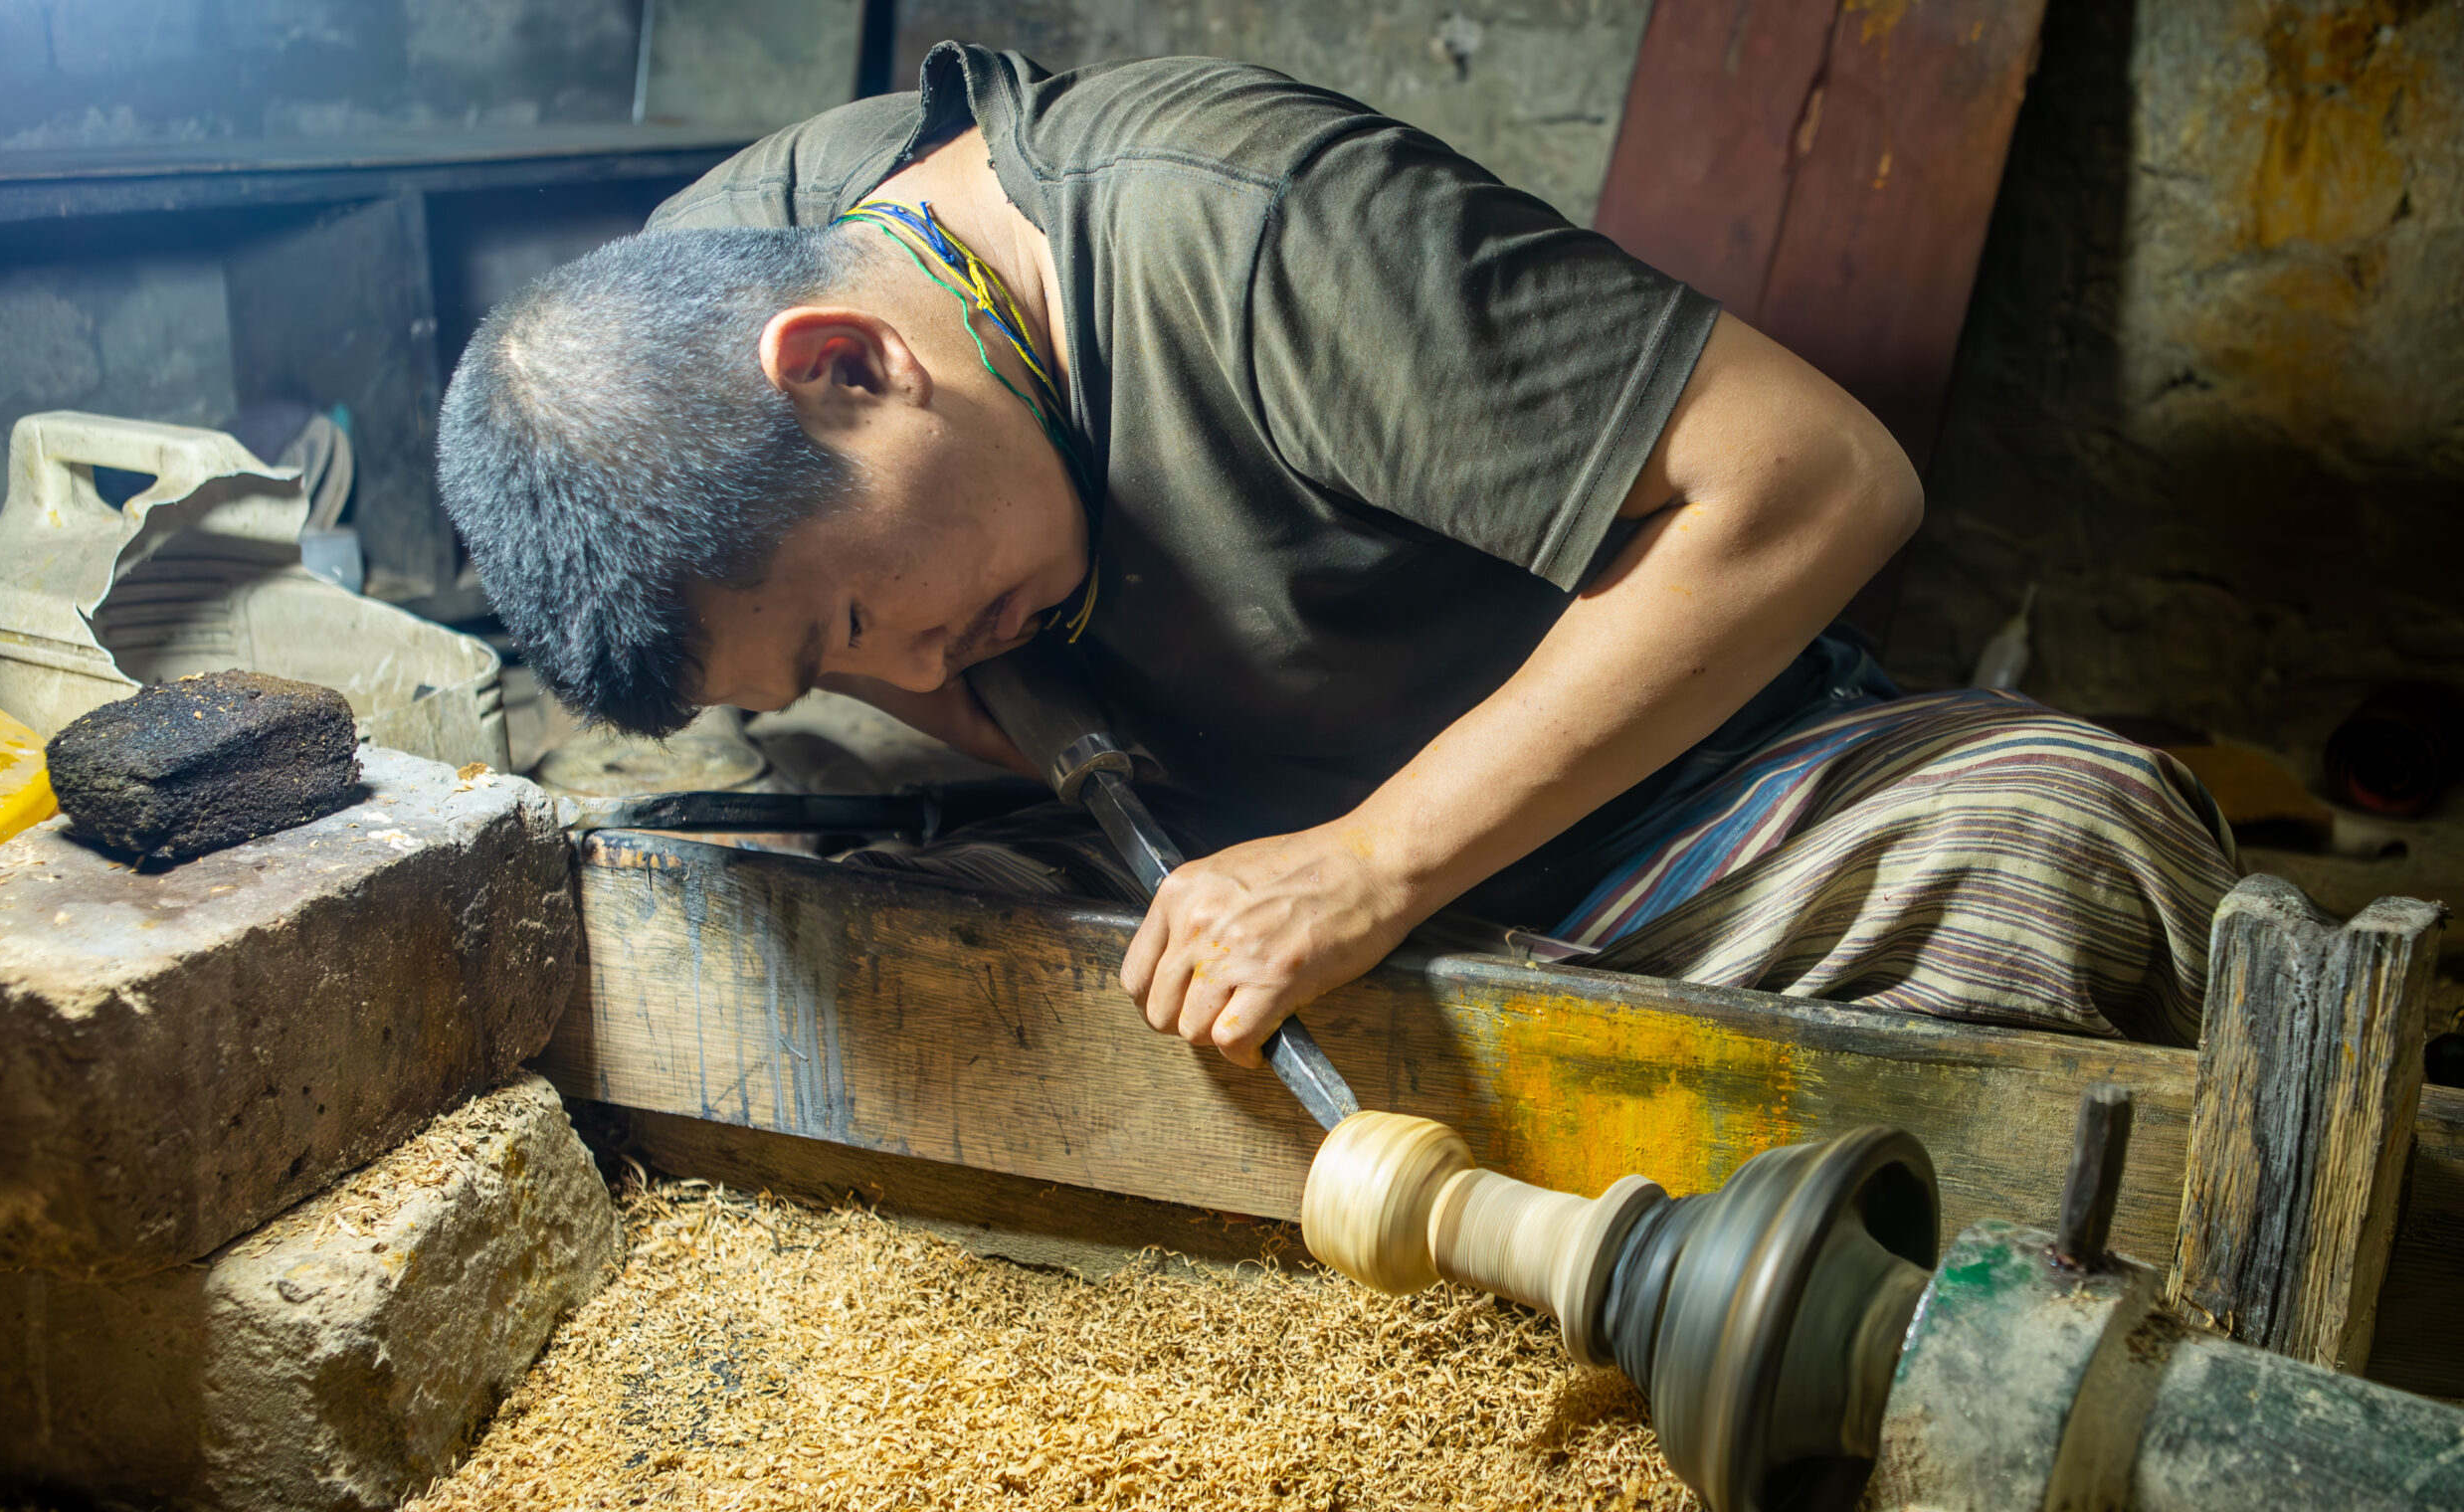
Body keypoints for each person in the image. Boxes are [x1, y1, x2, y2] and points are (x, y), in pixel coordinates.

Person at [436, 45, 2238, 1059]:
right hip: (1204, 836)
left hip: (1639, 807)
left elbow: (1826, 481)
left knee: (2072, 847)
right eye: (840, 660)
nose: (925, 673)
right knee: (786, 930)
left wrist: (1374, 866)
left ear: (846, 366)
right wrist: (1191, 844)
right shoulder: (681, 319)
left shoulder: (1255, 236)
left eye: (854, 616)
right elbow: (879, 673)